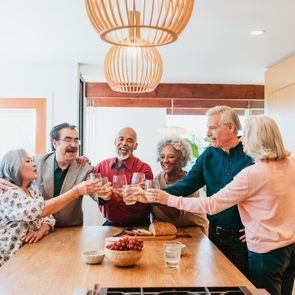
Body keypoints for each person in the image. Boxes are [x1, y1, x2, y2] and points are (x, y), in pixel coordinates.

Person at [145, 115, 295, 295]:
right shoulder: (290, 164)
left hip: (266, 253)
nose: (242, 138)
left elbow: (211, 205)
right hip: (290, 247)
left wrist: (165, 198)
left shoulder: (251, 174)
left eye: (246, 135)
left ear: (256, 139)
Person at [157, 106, 254, 277]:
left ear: (230, 127)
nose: (207, 133)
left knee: (241, 286)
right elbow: (187, 185)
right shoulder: (208, 155)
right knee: (216, 283)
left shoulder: (251, 155)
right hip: (214, 235)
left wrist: (258, 227)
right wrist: (154, 194)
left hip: (242, 240)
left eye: (212, 127)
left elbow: (269, 196)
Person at [0, 149, 101, 267]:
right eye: (28, 161)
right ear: (14, 166)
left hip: (31, 254)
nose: (33, 163)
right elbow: (41, 210)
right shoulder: (7, 192)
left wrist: (41, 231)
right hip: (10, 260)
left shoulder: (32, 189)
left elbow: (49, 217)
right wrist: (76, 191)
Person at [34, 123, 110, 227]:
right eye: (68, 140)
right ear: (54, 143)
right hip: (38, 229)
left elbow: (96, 194)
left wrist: (104, 195)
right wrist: (3, 181)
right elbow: (11, 170)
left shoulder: (85, 168)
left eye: (76, 140)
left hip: (70, 230)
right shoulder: (37, 162)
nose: (73, 145)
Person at [94, 127, 153, 226]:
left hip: (139, 225)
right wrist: (81, 160)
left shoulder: (143, 168)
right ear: (115, 142)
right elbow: (88, 181)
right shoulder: (101, 166)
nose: (124, 143)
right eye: (121, 139)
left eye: (129, 140)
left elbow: (149, 200)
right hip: (110, 224)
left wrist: (134, 195)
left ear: (135, 146)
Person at [152, 137, 208, 234]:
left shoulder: (190, 183)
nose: (165, 160)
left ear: (181, 160)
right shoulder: (158, 178)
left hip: (194, 231)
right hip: (170, 232)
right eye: (162, 156)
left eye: (171, 156)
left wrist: (152, 198)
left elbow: (175, 215)